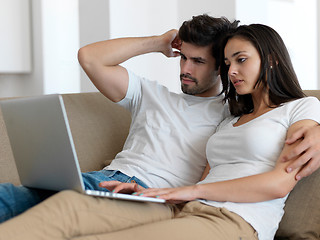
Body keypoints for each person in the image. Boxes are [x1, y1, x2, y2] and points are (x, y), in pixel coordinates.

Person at [1, 22, 320, 240]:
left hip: (234, 221)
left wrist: (189, 192)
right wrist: (159, 195)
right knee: (65, 208)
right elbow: (206, 179)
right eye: (228, 63)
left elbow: (279, 183)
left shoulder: (300, 108)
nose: (233, 71)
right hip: (180, 207)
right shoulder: (229, 121)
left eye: (241, 60)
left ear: (272, 60)